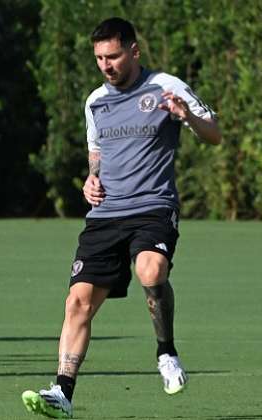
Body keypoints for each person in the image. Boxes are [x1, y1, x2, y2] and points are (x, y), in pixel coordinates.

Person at [21, 17, 221, 418]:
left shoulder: (167, 86)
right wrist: (90, 179)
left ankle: (166, 352)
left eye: (112, 56)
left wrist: (186, 117)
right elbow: (96, 153)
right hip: (106, 214)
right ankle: (62, 392)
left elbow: (213, 133)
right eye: (99, 57)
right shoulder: (95, 101)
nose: (106, 65)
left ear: (134, 51)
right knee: (77, 301)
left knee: (151, 270)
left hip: (153, 206)